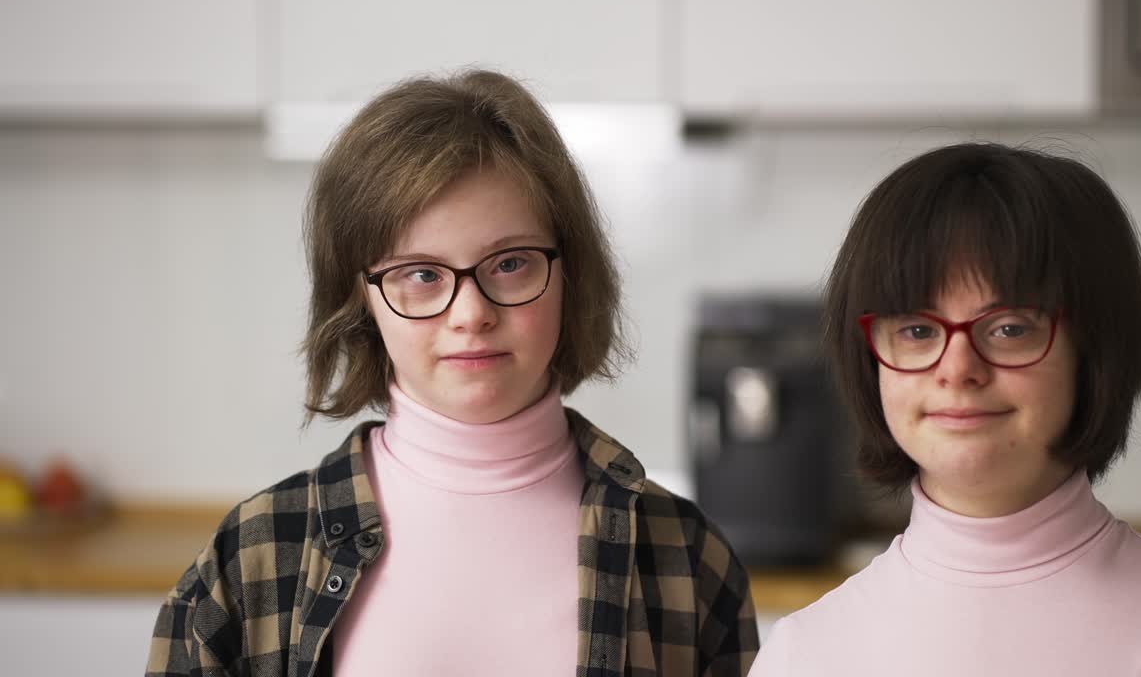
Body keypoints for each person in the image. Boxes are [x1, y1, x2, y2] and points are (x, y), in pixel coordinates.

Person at [147, 70, 758, 676]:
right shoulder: (247, 562)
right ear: (360, 297)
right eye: (421, 274)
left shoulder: (688, 559)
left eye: (511, 263)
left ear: (570, 276)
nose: (472, 314)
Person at [749, 143, 1141, 675]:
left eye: (1009, 329)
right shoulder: (804, 654)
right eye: (916, 330)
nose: (957, 368)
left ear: (1095, 351)